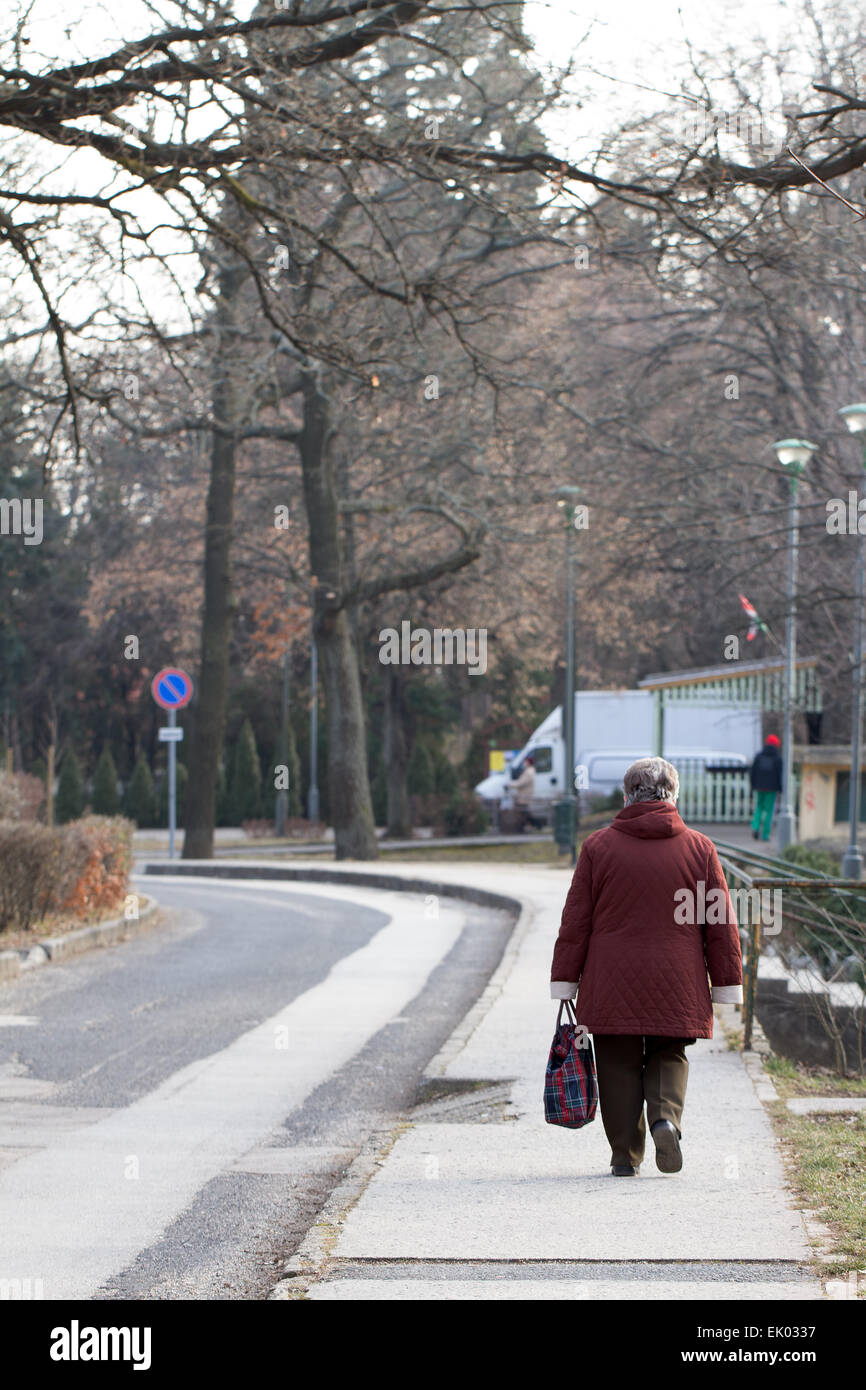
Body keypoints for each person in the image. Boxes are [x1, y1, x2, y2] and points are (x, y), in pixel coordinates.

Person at [549, 756, 743, 1177]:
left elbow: (576, 919)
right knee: (668, 1050)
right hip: (678, 977)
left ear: (626, 796)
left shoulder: (598, 847)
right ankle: (665, 1120)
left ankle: (624, 1156)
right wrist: (726, 982)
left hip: (610, 980)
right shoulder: (700, 848)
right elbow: (719, 921)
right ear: (673, 796)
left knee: (616, 1059)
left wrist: (565, 979)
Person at [750, 734, 782, 841]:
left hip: (759, 787)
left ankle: (755, 827)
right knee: (769, 811)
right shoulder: (777, 758)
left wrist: (753, 785)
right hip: (772, 789)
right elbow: (779, 775)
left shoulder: (759, 756)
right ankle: (765, 834)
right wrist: (780, 788)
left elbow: (753, 772)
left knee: (758, 807)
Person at [511, 754, 542, 831]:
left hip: (524, 796)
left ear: (528, 762)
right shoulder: (530, 771)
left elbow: (521, 783)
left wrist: (510, 784)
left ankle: (536, 824)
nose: (525, 763)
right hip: (525, 795)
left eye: (526, 761)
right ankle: (526, 826)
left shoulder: (528, 772)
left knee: (522, 812)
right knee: (524, 812)